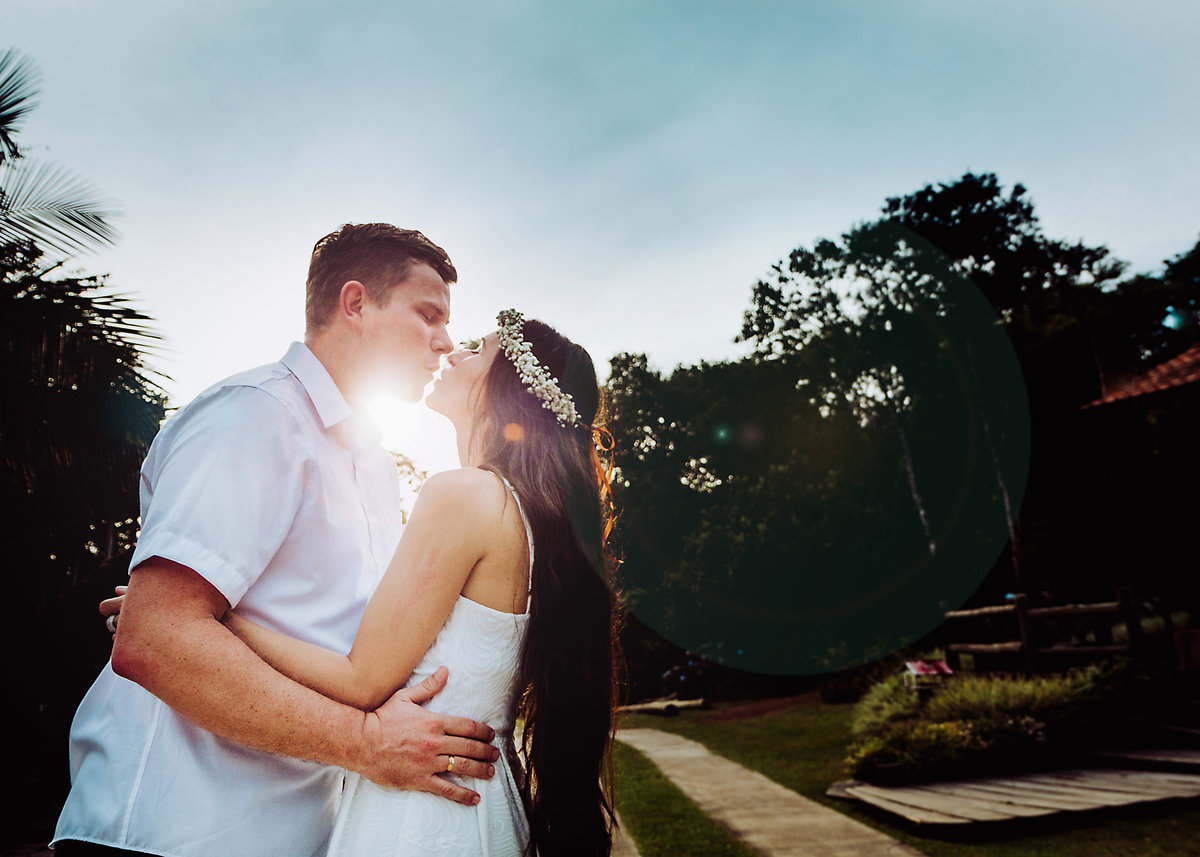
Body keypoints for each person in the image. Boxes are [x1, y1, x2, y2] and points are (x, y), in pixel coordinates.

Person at [53, 224, 501, 857]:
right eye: (428, 315)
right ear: (356, 304)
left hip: (296, 834)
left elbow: (343, 647)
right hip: (171, 832)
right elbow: (153, 638)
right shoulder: (254, 415)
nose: (445, 342)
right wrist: (367, 745)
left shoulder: (374, 465)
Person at [103, 309, 621, 856]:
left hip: (418, 815)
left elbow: (361, 680)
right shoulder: (533, 517)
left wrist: (217, 619)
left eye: (475, 349)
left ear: (506, 389)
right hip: (479, 803)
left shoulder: (465, 495)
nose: (452, 351)